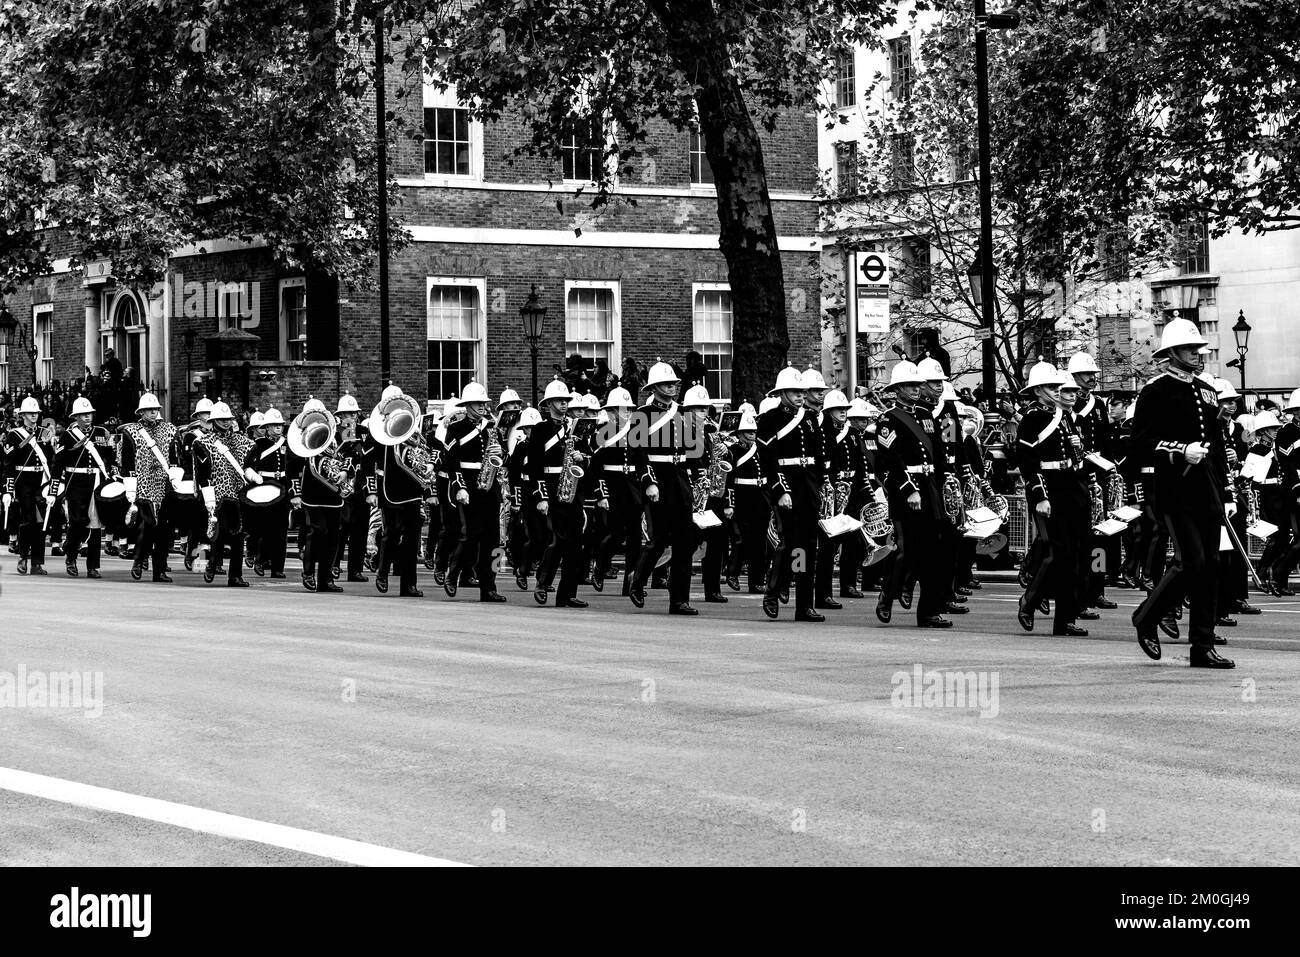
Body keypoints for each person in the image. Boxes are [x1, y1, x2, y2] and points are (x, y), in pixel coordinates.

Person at [1130, 318, 1236, 668]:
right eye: (1191, 349)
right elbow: (1140, 445)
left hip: (1206, 488)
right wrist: (1178, 449)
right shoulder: (1156, 390)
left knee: (1211, 566)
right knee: (1192, 561)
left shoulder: (1207, 390)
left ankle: (1202, 646)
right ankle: (1148, 616)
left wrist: (1228, 491)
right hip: (1175, 489)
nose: (1198, 353)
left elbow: (1218, 445)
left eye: (1199, 348)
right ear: (1172, 352)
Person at [873, 360, 950, 628]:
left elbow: (938, 455)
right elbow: (890, 461)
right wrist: (909, 490)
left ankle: (928, 612)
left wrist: (946, 484)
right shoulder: (888, 419)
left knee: (933, 553)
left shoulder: (927, 416)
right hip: (906, 492)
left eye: (918, 385)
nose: (916, 389)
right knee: (908, 551)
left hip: (929, 488)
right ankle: (888, 594)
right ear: (897, 389)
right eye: (909, 385)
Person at [627, 360, 698, 615]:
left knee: (684, 542)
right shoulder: (641, 415)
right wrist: (649, 482)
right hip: (658, 478)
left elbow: (693, 451)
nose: (673, 387)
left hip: (680, 479)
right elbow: (637, 451)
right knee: (657, 540)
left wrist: (698, 478)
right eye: (668, 384)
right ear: (655, 388)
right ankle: (637, 580)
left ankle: (679, 600)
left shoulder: (683, 413)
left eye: (675, 384)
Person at [757, 364, 824, 622]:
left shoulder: (808, 418)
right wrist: (780, 490)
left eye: (801, 391)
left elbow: (817, 454)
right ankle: (772, 592)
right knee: (788, 544)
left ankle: (804, 604)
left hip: (807, 486)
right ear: (782, 393)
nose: (800, 395)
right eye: (794, 391)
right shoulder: (770, 419)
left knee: (807, 547)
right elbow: (768, 458)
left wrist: (822, 484)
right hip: (786, 485)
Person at [440, 380, 506, 603]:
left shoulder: (491, 427)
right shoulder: (456, 428)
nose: (482, 407)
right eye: (477, 403)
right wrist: (459, 487)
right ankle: (453, 573)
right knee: (471, 535)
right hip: (468, 486)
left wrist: (501, 453)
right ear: (467, 405)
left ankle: (489, 587)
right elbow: (452, 460)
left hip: (490, 487)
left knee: (493, 541)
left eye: (483, 403)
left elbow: (502, 456)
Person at [362, 385, 429, 598]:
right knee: (391, 533)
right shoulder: (376, 432)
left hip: (411, 487)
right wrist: (370, 491)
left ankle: (408, 585)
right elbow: (367, 464)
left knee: (412, 537)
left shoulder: (412, 430)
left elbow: (422, 454)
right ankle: (382, 571)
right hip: (388, 487)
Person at [528, 377, 589, 608]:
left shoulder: (574, 427)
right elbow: (534, 467)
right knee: (558, 540)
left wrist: (581, 459)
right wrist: (541, 496)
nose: (564, 404)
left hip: (572, 487)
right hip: (552, 487)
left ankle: (567, 594)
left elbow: (588, 456)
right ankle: (542, 582)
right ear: (549, 403)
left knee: (575, 543)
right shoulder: (541, 429)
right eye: (559, 400)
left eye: (565, 400)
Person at [119, 392, 181, 583]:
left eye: (155, 409)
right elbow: (127, 462)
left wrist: (175, 473)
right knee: (148, 526)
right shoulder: (132, 432)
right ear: (142, 412)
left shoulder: (169, 430)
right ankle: (138, 560)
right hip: (144, 483)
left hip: (163, 483)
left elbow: (174, 457)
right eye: (149, 410)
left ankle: (160, 570)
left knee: (163, 529)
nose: (153, 412)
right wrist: (131, 487)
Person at [52, 396, 115, 578]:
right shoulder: (68, 436)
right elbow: (58, 464)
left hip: (96, 480)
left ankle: (92, 566)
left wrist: (114, 472)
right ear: (76, 417)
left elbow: (110, 458)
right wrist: (53, 489)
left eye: (89, 414)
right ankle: (71, 556)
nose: (87, 417)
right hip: (76, 482)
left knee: (95, 525)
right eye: (82, 414)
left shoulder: (101, 433)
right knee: (78, 521)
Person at [287, 398, 346, 593]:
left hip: (334, 493)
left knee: (333, 537)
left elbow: (350, 455)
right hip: (312, 494)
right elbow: (292, 468)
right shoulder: (298, 439)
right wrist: (295, 493)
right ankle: (308, 571)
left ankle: (326, 578)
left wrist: (346, 471)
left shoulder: (337, 435)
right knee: (317, 531)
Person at [193, 401, 252, 587]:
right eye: (221, 419)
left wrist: (252, 472)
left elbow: (250, 462)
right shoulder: (203, 443)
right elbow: (203, 473)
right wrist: (208, 498)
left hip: (238, 492)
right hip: (217, 493)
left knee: (238, 534)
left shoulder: (242, 441)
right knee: (221, 530)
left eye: (228, 419)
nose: (226, 422)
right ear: (214, 420)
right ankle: (212, 563)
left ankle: (235, 575)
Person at [592, 388, 642, 596]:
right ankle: (600, 566)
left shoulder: (637, 431)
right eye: (622, 410)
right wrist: (602, 494)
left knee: (635, 536)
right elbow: (595, 468)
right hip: (613, 487)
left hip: (632, 485)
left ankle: (631, 582)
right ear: (611, 412)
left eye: (629, 410)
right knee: (616, 534)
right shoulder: (603, 433)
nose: (627, 413)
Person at [3, 396, 54, 575]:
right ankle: (23, 557)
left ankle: (37, 562)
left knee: (42, 522)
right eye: (30, 413)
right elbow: (9, 464)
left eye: (36, 413)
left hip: (41, 480)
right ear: (23, 415)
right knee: (28, 519)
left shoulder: (45, 433)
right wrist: (8, 490)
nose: (34, 416)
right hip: (23, 481)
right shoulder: (14, 434)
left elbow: (51, 459)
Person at [333, 393, 370, 583]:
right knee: (342, 527)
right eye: (347, 414)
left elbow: (370, 456)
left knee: (361, 529)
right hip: (342, 485)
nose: (351, 418)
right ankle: (334, 564)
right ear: (340, 415)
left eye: (354, 414)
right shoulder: (334, 433)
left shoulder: (365, 432)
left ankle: (355, 569)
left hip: (361, 485)